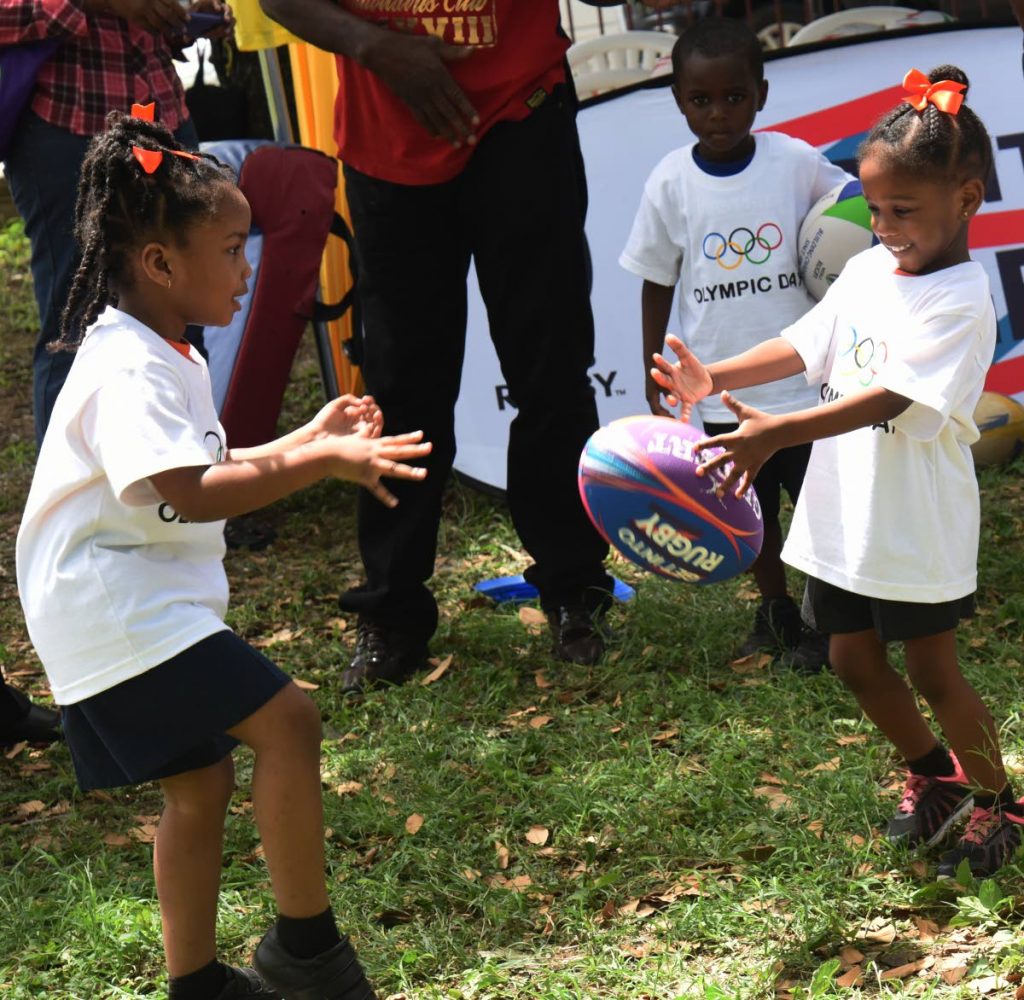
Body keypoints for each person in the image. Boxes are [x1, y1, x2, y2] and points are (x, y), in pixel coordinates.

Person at [16, 110, 433, 1000]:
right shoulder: (128, 369)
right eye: (235, 248)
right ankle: (306, 951)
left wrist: (305, 435)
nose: (250, 268)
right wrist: (322, 462)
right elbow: (192, 493)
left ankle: (198, 983)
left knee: (201, 785)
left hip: (124, 601)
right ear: (162, 263)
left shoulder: (164, 351)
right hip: (114, 608)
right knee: (289, 722)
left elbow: (206, 464)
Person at [651, 65, 1022, 879]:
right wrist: (718, 378)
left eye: (904, 211)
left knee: (932, 667)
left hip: (912, 521)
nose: (885, 226)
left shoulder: (961, 298)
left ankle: (1001, 802)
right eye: (875, 207)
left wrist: (781, 428)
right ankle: (936, 778)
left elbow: (889, 398)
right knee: (852, 660)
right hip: (841, 510)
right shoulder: (864, 269)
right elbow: (808, 340)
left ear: (966, 199)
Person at [258, 0, 616, 692]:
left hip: (523, 108)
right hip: (388, 132)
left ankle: (575, 588)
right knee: (400, 386)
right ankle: (392, 613)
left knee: (551, 365)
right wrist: (372, 45)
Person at [620, 19, 850, 672]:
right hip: (721, 391)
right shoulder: (670, 183)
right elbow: (655, 281)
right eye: (702, 100)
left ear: (761, 94)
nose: (719, 113)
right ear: (678, 100)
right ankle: (774, 607)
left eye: (735, 97)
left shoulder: (797, 162)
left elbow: (848, 216)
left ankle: (820, 623)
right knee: (752, 516)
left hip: (802, 388)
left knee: (814, 509)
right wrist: (653, 369)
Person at [0, 0, 232, 447]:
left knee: (186, 316)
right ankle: (79, 510)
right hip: (65, 129)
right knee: (76, 329)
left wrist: (183, 14)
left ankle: (195, 500)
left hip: (163, 120)